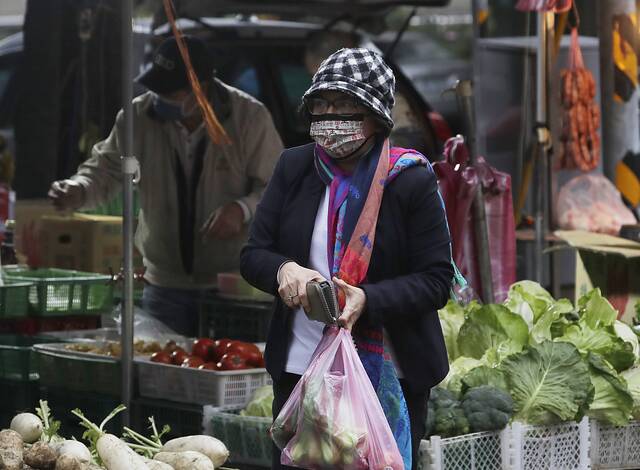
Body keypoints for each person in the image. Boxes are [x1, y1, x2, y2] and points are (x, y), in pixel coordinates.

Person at [240, 48, 453, 470]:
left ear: (375, 117)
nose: (329, 115)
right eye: (322, 104)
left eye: (345, 105)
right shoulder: (294, 167)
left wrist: (367, 300)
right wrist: (285, 269)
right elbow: (254, 255)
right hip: (302, 372)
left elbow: (435, 280)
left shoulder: (410, 178)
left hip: (388, 376)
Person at [49, 36, 283, 336]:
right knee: (163, 373)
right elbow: (105, 171)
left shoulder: (249, 118)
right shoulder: (136, 118)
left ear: (201, 89)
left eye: (171, 92)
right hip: (164, 284)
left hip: (232, 286)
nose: (161, 100)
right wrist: (77, 189)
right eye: (157, 90)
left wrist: (242, 209)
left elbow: (277, 190)